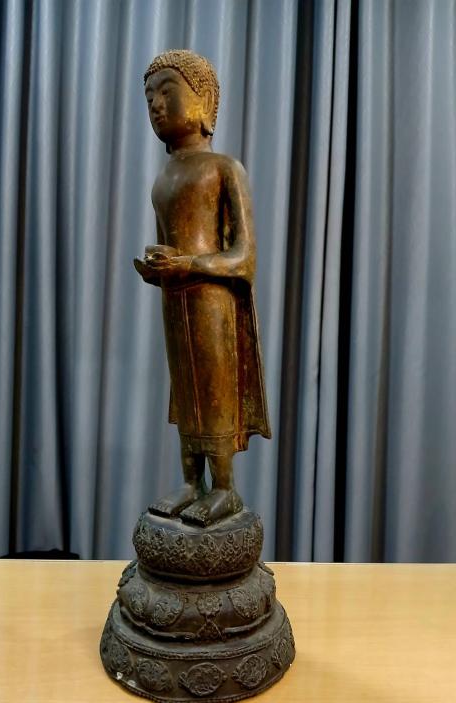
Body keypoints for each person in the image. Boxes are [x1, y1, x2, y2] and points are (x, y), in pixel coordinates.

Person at [134, 50, 270, 526]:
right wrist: (157, 268)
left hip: (214, 302)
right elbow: (166, 243)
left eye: (167, 91)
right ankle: (192, 482)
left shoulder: (225, 168)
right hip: (176, 300)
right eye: (148, 97)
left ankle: (225, 488)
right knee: (186, 387)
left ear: (205, 99)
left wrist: (189, 263)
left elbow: (244, 257)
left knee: (214, 386)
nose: (155, 104)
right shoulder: (163, 179)